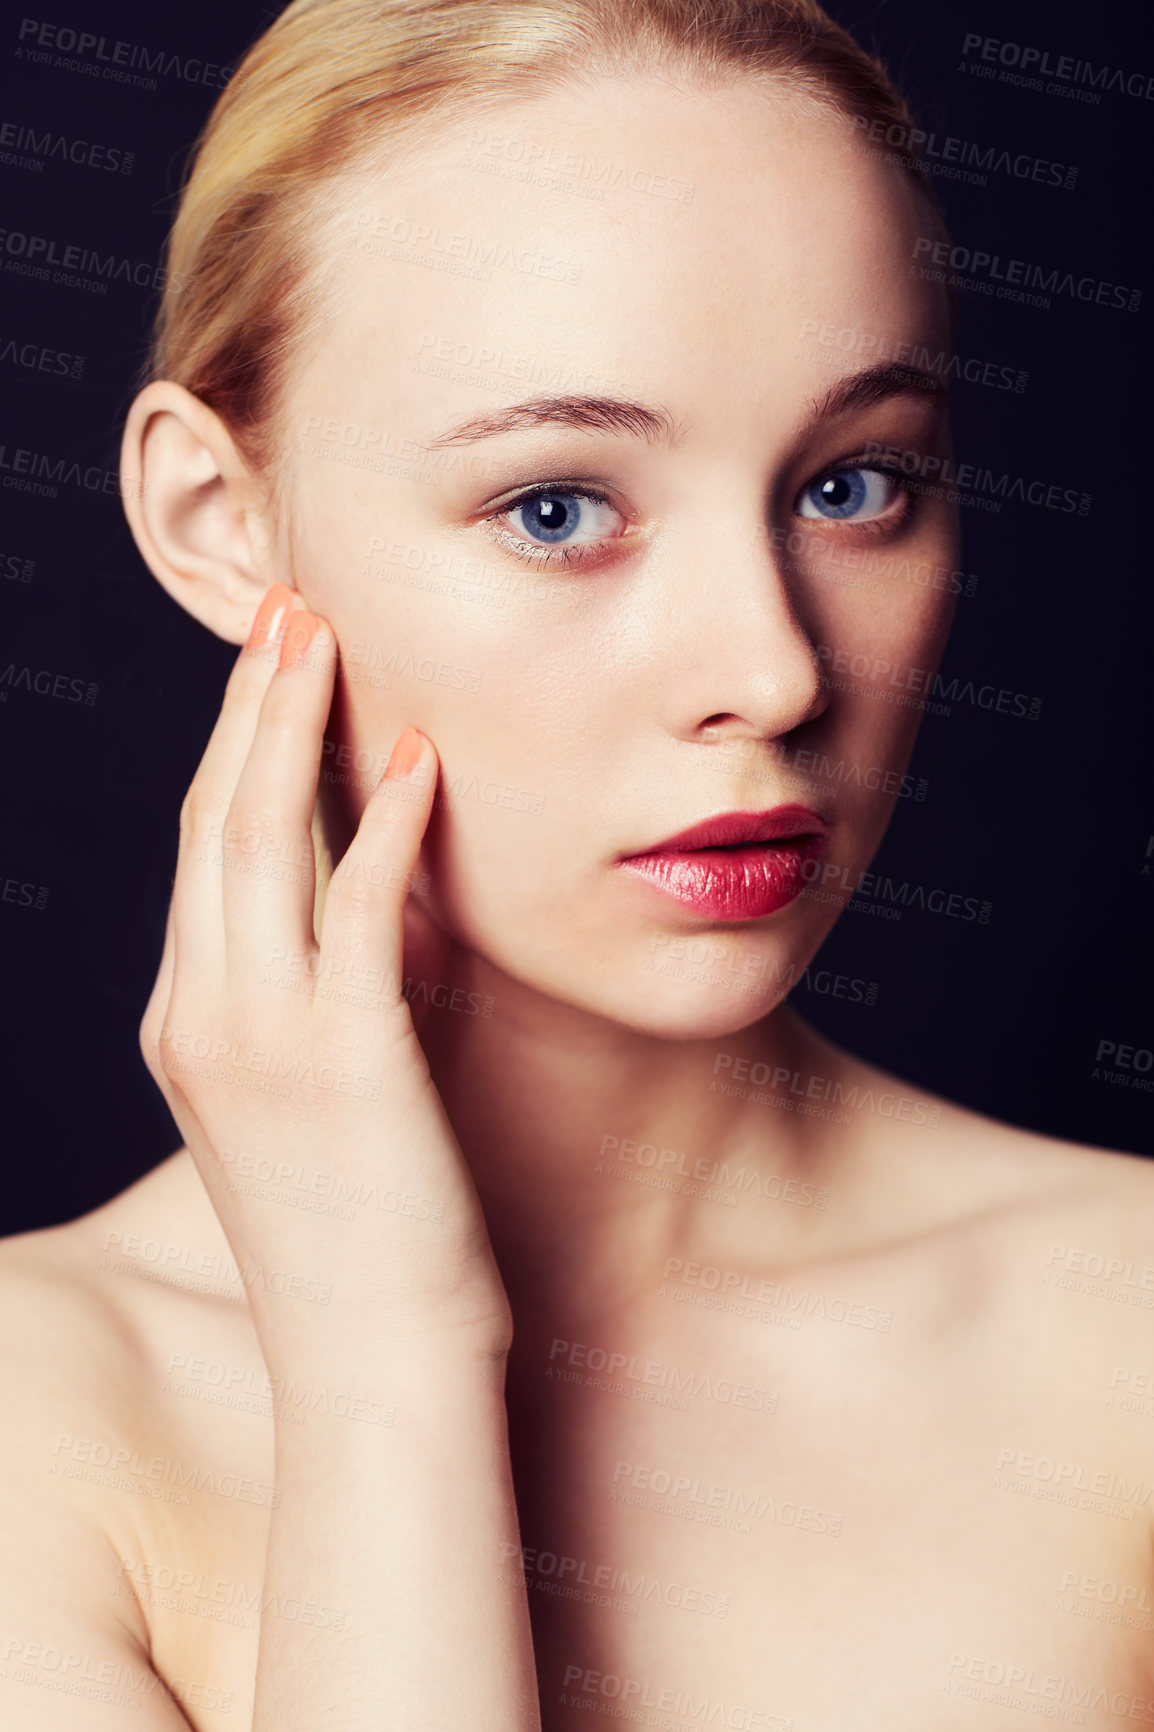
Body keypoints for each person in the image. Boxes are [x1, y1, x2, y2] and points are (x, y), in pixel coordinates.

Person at [2, 0, 1151, 1725]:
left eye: (853, 485)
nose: (768, 673)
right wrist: (381, 1368)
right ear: (219, 523)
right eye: (556, 507)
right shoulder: (42, 1428)